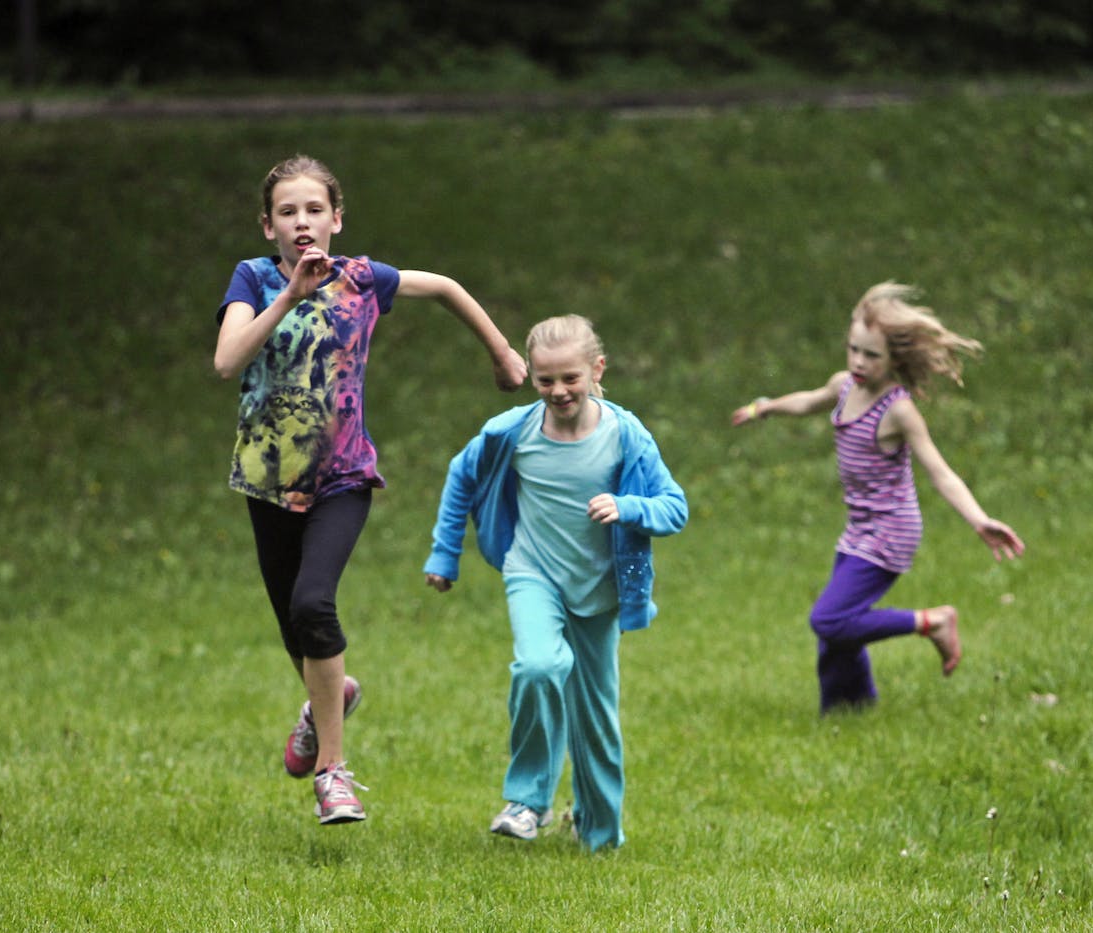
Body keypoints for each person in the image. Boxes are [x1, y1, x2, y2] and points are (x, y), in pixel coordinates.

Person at [213, 154, 527, 825]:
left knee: (313, 603)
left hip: (342, 478)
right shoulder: (253, 279)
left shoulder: (361, 278)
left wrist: (502, 353)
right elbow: (226, 359)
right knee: (297, 629)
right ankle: (328, 695)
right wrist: (288, 296)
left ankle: (333, 770)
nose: (302, 222)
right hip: (268, 482)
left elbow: (443, 285)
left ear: (337, 218)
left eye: (315, 209)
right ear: (267, 224)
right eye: (288, 212)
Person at [423, 314, 688, 851]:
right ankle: (528, 801)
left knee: (596, 721)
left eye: (570, 378)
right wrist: (445, 554)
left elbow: (674, 507)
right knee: (540, 665)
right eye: (546, 380)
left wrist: (628, 505)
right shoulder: (513, 433)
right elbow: (461, 474)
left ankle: (599, 834)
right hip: (533, 573)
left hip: (599, 591)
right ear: (532, 377)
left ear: (597, 369)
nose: (559, 391)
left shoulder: (624, 435)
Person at [730, 282, 1025, 714]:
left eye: (871, 355)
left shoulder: (898, 410)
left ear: (895, 360)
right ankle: (848, 710)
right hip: (861, 526)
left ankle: (934, 621)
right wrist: (766, 407)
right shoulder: (844, 385)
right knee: (839, 629)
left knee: (828, 619)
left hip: (892, 530)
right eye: (854, 350)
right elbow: (809, 401)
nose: (858, 362)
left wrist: (979, 520)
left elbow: (940, 473)